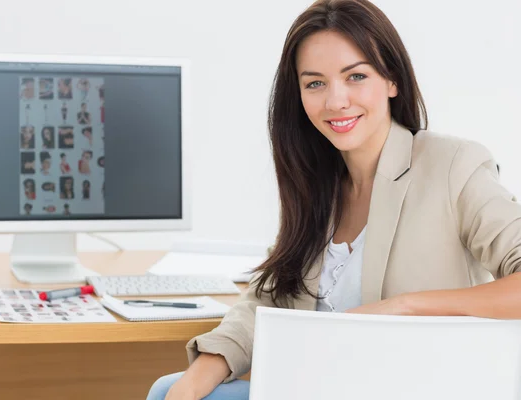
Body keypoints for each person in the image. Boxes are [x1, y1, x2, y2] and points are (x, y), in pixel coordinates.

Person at [147, 1, 521, 399]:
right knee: (169, 389)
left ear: (391, 80)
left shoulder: (452, 166)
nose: (336, 101)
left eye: (355, 76)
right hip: (323, 384)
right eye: (315, 83)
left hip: (417, 387)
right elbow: (270, 296)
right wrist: (201, 373)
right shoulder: (317, 185)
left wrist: (404, 308)